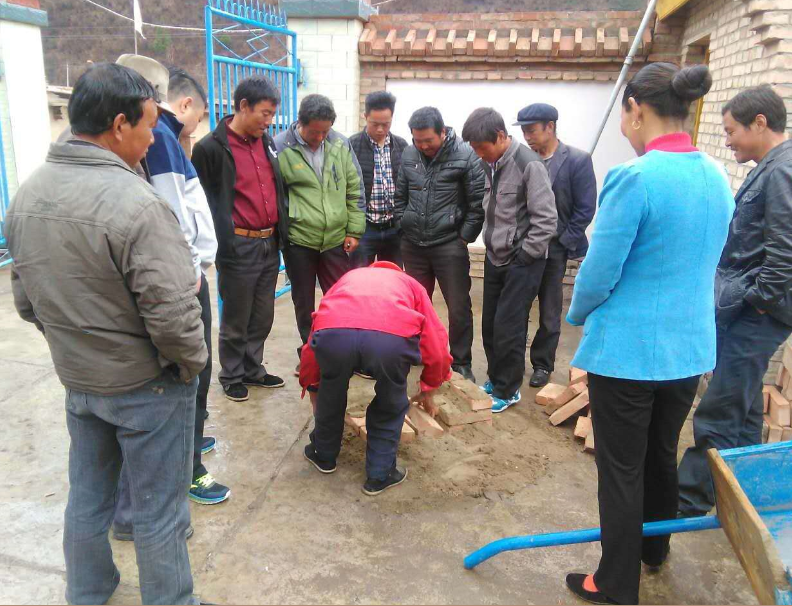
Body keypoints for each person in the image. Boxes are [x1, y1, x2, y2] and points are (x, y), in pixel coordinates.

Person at [4, 63, 208, 605]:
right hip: (147, 387)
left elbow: (26, 300)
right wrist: (190, 364)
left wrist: (76, 346)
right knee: (159, 512)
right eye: (148, 127)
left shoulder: (27, 195)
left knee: (88, 499)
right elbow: (173, 316)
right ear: (119, 126)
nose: (152, 140)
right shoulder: (137, 204)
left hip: (81, 382)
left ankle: (88, 590)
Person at [563, 63, 734, 605]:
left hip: (628, 353)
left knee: (620, 468)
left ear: (635, 109)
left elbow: (599, 272)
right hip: (689, 350)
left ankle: (614, 583)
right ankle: (654, 549)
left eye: (624, 114)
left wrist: (578, 314)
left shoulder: (635, 177)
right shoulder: (716, 175)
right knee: (661, 453)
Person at [678, 86, 792, 518]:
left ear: (759, 123)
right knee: (743, 405)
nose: (727, 141)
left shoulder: (782, 171)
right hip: (749, 308)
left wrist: (759, 302)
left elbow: (785, 250)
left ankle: (687, 503)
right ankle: (749, 493)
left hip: (757, 312)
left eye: (731, 131)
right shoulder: (772, 166)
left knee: (720, 408)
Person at [298, 261, 452, 495]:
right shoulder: (410, 284)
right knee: (390, 402)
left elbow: (314, 339)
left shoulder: (348, 278)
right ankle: (380, 475)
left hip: (334, 336)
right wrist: (429, 387)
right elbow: (437, 345)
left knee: (331, 391)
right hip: (389, 342)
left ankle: (323, 454)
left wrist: (313, 386)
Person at [192, 76, 287, 403]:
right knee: (236, 316)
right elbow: (201, 200)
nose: (269, 121)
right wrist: (219, 242)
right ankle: (231, 375)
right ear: (243, 106)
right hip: (238, 244)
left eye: (272, 114)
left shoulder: (267, 143)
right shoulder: (210, 148)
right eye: (264, 113)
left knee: (262, 314)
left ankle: (252, 369)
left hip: (269, 242)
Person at [461, 108, 557, 413]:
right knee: (490, 324)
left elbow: (546, 219)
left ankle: (508, 389)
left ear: (500, 136)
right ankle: (496, 378)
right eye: (474, 148)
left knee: (509, 327)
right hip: (496, 256)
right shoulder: (489, 163)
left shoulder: (529, 164)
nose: (478, 154)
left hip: (522, 260)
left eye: (481, 147)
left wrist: (525, 255)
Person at [274, 94, 366, 373]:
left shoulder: (340, 144)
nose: (320, 137)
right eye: (314, 132)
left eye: (325, 131)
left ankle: (341, 351)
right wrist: (285, 233)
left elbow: (354, 188)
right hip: (299, 240)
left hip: (335, 239)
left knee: (339, 299)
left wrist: (354, 230)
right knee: (303, 302)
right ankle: (310, 353)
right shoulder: (280, 147)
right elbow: (276, 196)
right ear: (301, 123)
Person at [394, 107, 485, 382]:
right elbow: (400, 196)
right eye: (417, 140)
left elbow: (476, 204)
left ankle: (461, 361)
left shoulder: (466, 156)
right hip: (413, 244)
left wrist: (463, 238)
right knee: (415, 305)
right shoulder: (409, 154)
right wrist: (403, 223)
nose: (423, 146)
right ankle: (418, 353)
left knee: (458, 306)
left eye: (428, 140)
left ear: (442, 132)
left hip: (449, 245)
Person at [516, 103, 598, 388]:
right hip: (525, 248)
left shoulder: (576, 160)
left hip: (555, 250)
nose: (527, 137)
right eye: (524, 132)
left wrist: (563, 242)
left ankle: (542, 364)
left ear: (550, 127)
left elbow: (585, 209)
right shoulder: (521, 159)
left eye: (532, 130)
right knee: (517, 306)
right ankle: (513, 361)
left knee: (550, 312)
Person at [349, 91, 409, 269]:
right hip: (364, 228)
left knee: (392, 276)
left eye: (386, 124)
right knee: (360, 277)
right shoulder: (351, 146)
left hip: (394, 227)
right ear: (365, 116)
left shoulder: (402, 146)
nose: (380, 129)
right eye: (375, 124)